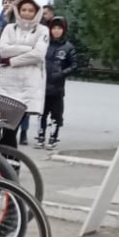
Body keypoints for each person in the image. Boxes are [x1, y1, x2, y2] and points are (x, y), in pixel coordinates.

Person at [0, 0, 48, 148]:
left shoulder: (42, 30)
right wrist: (28, 49)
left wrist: (12, 61)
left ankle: (8, 160)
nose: (26, 13)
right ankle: (6, 160)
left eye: (31, 10)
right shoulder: (9, 28)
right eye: (23, 9)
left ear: (37, 12)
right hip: (8, 82)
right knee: (6, 128)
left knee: (13, 127)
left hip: (29, 83)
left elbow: (38, 54)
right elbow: (3, 50)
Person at [37, 17, 78, 149]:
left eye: (59, 28)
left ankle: (53, 138)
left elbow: (74, 65)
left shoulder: (68, 47)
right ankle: (40, 137)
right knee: (41, 113)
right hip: (42, 85)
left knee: (56, 114)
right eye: (54, 28)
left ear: (63, 30)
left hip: (57, 87)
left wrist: (61, 73)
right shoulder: (44, 44)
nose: (56, 31)